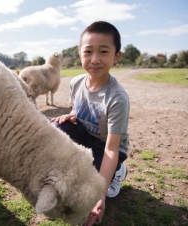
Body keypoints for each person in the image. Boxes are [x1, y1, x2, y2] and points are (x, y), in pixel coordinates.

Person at [51, 21, 129, 226]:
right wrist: (72, 114)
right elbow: (77, 107)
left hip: (107, 146)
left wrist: (99, 195)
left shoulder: (117, 97)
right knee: (55, 128)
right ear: (80, 54)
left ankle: (117, 172)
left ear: (116, 56)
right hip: (86, 135)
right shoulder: (75, 82)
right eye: (88, 52)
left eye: (103, 51)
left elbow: (112, 149)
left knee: (88, 186)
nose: (95, 59)